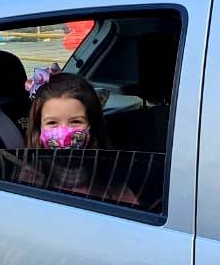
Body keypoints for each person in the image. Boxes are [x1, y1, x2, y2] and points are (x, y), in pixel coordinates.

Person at [20, 66, 139, 206]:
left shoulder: (111, 177)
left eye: (76, 121)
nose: (64, 134)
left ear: (92, 124)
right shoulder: (31, 177)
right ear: (38, 128)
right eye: (52, 123)